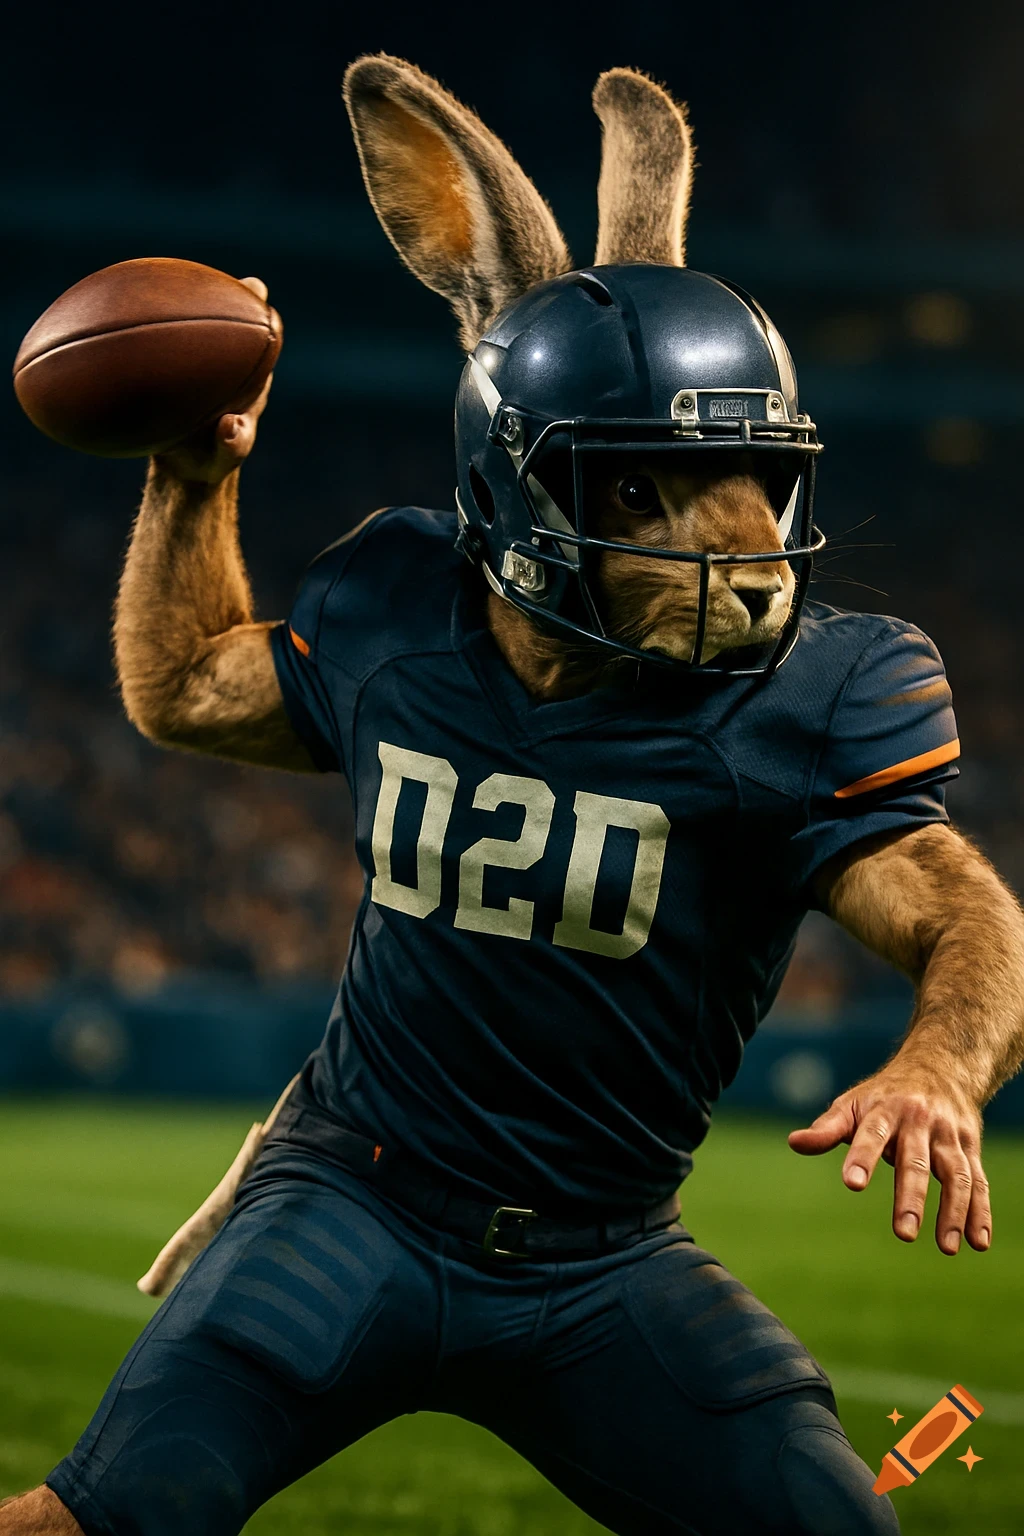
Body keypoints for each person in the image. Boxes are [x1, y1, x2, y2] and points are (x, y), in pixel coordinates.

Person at [5, 55, 1020, 1536]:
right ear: (520, 488)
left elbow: (962, 914)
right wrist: (190, 473)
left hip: (599, 1266)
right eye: (641, 490)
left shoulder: (804, 703)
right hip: (349, 1201)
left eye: (750, 476)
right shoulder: (400, 606)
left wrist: (939, 1066)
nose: (734, 550)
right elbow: (181, 691)